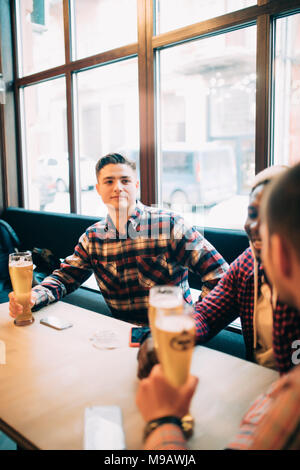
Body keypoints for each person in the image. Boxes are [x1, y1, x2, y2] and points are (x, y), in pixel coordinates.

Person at [136, 163, 300, 450]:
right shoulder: (247, 264)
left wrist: (162, 423)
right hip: (256, 394)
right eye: (252, 214)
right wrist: (163, 338)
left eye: (272, 217)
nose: (257, 225)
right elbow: (206, 314)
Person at [9, 153, 228, 325]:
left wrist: (197, 320)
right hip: (123, 335)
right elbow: (64, 279)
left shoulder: (171, 225)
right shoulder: (92, 238)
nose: (118, 187)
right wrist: (33, 297)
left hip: (172, 334)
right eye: (109, 181)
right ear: (98, 189)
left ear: (136, 186)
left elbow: (220, 275)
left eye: (125, 180)